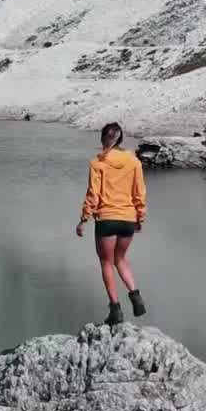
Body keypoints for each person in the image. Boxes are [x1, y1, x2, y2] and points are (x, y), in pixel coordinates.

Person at [75, 121, 147, 327]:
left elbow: (93, 194)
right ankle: (135, 295)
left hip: (106, 218)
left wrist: (83, 219)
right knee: (121, 259)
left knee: (106, 262)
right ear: (121, 139)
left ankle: (115, 309)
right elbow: (139, 192)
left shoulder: (97, 163)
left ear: (103, 138)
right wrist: (140, 217)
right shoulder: (134, 162)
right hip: (128, 218)